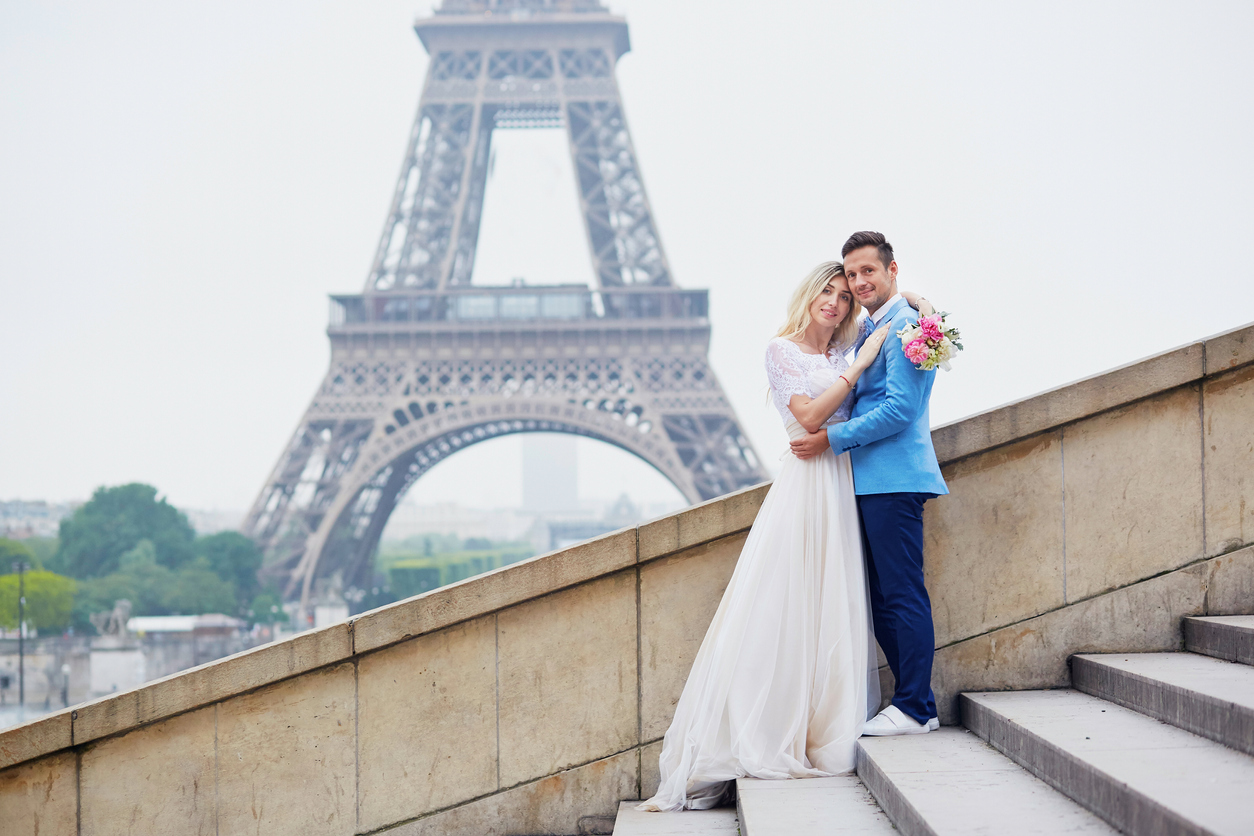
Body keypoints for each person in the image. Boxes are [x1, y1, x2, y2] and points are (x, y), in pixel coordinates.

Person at [639, 261, 932, 812]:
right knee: (787, 606)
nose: (835, 302)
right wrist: (860, 366)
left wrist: (915, 299)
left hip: (842, 486)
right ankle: (770, 725)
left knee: (834, 606)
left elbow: (897, 331)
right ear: (807, 295)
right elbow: (809, 415)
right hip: (807, 489)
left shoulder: (844, 349)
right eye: (827, 291)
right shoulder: (784, 352)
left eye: (844, 296)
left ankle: (826, 719)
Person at [791, 231, 948, 736]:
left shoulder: (902, 324)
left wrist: (833, 440)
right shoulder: (880, 324)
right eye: (851, 274)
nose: (858, 283)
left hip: (892, 477)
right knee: (883, 596)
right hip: (870, 479)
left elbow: (901, 408)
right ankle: (914, 702)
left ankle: (917, 707)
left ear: (892, 270)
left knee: (900, 593)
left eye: (868, 272)